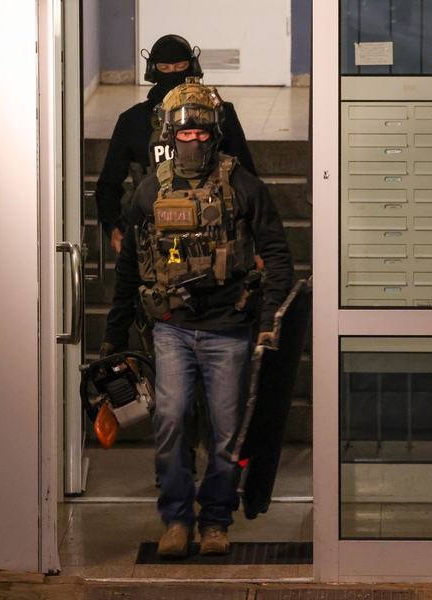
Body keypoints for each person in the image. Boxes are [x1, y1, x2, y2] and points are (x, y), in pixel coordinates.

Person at [101, 79, 293, 557]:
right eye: (184, 134)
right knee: (171, 420)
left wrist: (270, 321)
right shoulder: (150, 190)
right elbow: (129, 270)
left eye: (202, 133)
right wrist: (112, 333)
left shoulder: (244, 186)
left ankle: (215, 523)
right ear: (171, 133)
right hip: (170, 325)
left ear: (215, 133)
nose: (193, 141)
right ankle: (176, 520)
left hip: (229, 326)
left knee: (227, 431)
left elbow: (278, 256)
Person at [95, 34, 257, 255]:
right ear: (154, 70)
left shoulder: (221, 115)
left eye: (180, 66)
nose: (173, 72)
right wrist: (113, 228)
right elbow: (108, 185)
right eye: (165, 67)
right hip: (152, 235)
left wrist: (256, 242)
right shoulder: (132, 121)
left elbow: (248, 179)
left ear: (191, 67)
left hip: (216, 233)